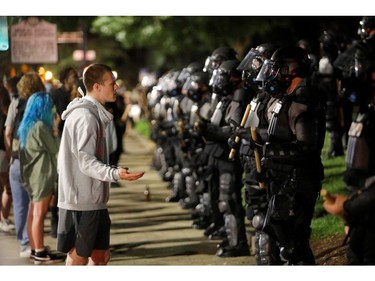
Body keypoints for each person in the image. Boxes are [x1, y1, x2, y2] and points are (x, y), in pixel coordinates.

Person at [56, 63, 145, 265]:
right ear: (97, 86)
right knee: (78, 257)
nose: (116, 88)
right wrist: (115, 174)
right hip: (82, 200)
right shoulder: (86, 116)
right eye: (111, 83)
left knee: (100, 256)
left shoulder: (91, 113)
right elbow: (85, 161)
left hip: (91, 199)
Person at [255, 46, 326, 264]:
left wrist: (269, 152)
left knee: (295, 244)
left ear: (291, 70)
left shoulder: (302, 100)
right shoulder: (287, 98)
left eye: (278, 69)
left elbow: (305, 149)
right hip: (283, 178)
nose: (273, 74)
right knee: (281, 235)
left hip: (299, 180)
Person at [323, 16, 375, 265]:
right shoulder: (367, 111)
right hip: (363, 216)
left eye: (361, 69)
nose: (354, 77)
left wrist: (350, 208)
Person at [17, 92, 65, 264]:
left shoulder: (27, 126)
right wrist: (56, 128)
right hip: (42, 175)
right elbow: (56, 148)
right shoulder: (40, 127)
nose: (53, 108)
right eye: (50, 105)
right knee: (39, 214)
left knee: (33, 213)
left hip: (32, 175)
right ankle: (39, 252)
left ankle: (35, 249)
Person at [4, 72, 46, 257]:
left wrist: (11, 154)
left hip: (17, 159)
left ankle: (25, 244)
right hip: (35, 161)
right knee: (35, 204)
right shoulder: (41, 104)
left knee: (20, 203)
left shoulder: (16, 103)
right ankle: (36, 244)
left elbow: (7, 132)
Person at [0, 81, 14, 232]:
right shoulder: (5, 107)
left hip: (2, 150)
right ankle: (3, 218)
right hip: (2, 151)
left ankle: (3, 218)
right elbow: (7, 133)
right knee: (7, 187)